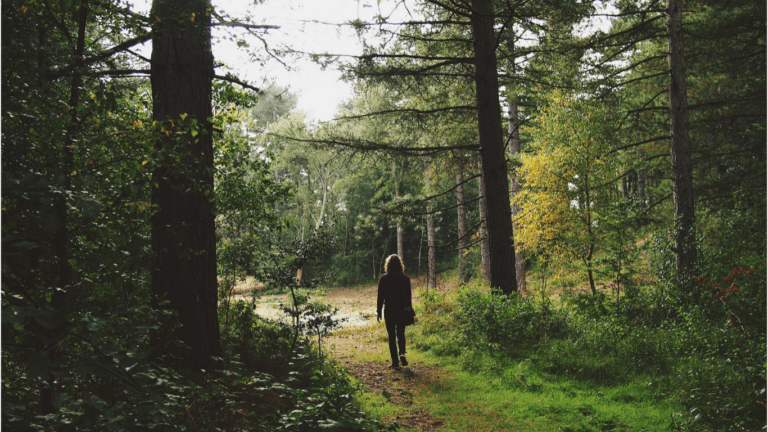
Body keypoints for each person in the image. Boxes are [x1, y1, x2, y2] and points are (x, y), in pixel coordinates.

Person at [376, 254, 413, 368]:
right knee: (401, 333)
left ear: (388, 265)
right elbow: (408, 297)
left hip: (389, 311)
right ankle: (402, 353)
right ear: (400, 265)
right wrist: (409, 311)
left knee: (391, 336)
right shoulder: (406, 279)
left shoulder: (383, 278)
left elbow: (380, 297)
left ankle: (395, 362)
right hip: (401, 310)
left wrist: (378, 311)